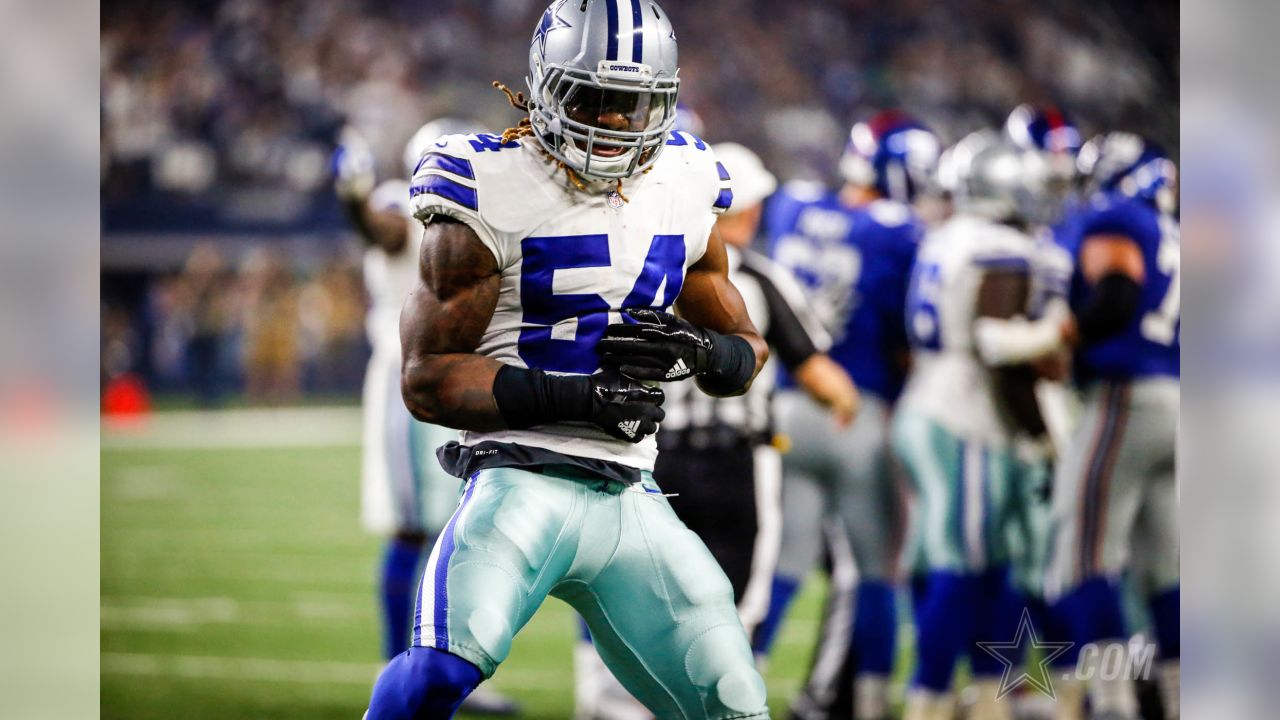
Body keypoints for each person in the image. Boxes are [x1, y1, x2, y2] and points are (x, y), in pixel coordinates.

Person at [363, 2, 772, 718]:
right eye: (596, 97)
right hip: (521, 477)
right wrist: (576, 397)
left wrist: (705, 350)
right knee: (437, 669)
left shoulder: (687, 179)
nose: (615, 121)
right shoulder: (485, 182)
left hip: (631, 495)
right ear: (544, 87)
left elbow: (748, 350)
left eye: (634, 102)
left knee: (733, 697)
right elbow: (427, 378)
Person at [755, 111, 940, 720]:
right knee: (873, 572)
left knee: (777, 567)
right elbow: (908, 334)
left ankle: (731, 687)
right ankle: (868, 702)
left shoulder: (794, 207)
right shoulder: (897, 231)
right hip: (860, 412)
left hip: (785, 403)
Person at [334, 117, 518, 715]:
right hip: (408, 377)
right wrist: (355, 199)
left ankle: (441, 675)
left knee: (458, 531)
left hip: (457, 373)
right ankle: (401, 673)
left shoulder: (478, 218)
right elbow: (381, 229)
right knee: (415, 528)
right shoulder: (404, 209)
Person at [893, 131, 1076, 720]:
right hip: (966, 413)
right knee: (964, 564)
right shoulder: (1000, 244)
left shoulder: (944, 235)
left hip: (925, 398)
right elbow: (994, 341)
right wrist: (1054, 338)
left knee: (948, 558)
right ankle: (931, 696)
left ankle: (967, 691)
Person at [1045, 132, 1180, 720]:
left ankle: (1114, 701)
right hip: (1180, 400)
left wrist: (1058, 335)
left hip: (1126, 398)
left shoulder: (1117, 217)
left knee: (1083, 557)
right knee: (1169, 567)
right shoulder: (1179, 231)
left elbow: (1118, 294)